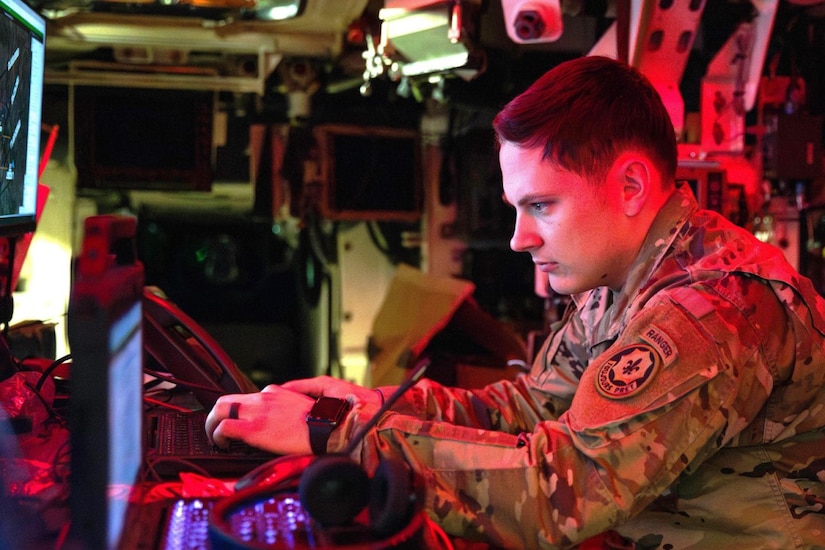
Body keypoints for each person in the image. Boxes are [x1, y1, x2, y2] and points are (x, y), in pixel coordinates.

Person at [206, 55, 825, 548]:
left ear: (631, 186)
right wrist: (368, 409)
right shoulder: (624, 279)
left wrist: (338, 437)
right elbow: (530, 407)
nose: (519, 238)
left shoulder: (711, 311)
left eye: (541, 205)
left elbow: (563, 492)